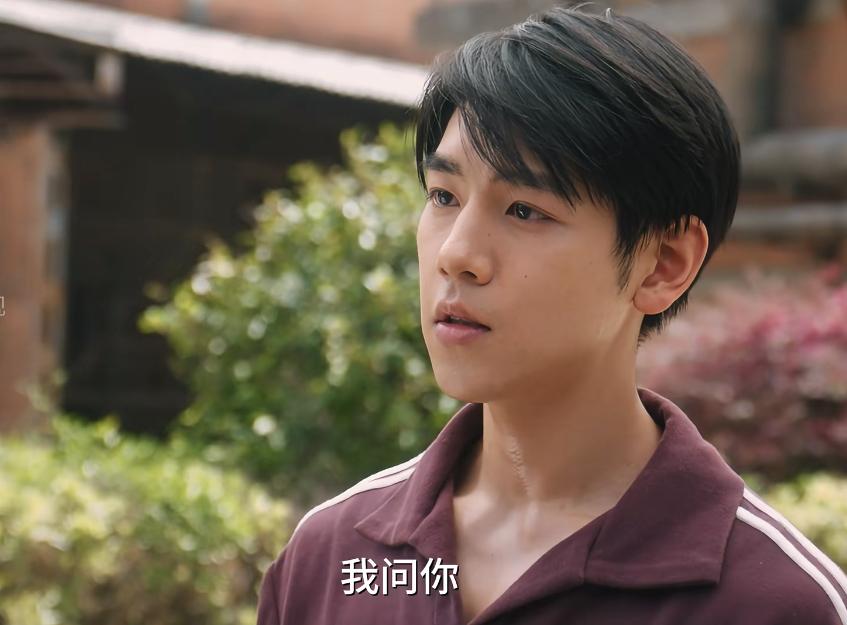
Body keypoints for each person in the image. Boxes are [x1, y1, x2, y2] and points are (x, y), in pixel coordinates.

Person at [257, 6, 847, 624]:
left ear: (663, 264)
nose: (456, 254)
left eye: (524, 210)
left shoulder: (774, 604)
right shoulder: (331, 557)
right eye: (444, 196)